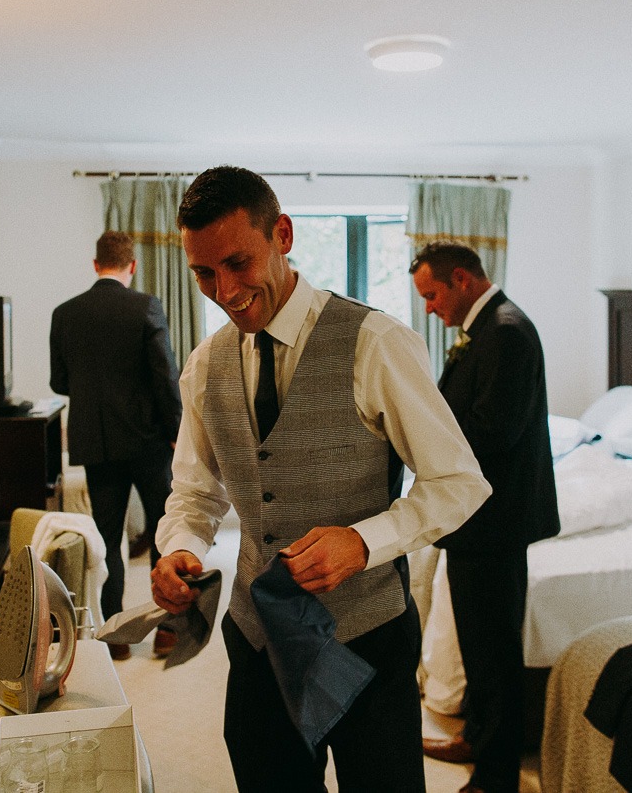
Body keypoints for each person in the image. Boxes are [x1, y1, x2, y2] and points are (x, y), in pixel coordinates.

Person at [151, 166, 491, 793]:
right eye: (203, 273)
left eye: (237, 263)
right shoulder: (204, 364)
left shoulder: (378, 342)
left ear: (282, 234)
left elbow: (459, 482)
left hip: (366, 639)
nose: (224, 291)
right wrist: (180, 547)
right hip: (258, 644)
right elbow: (196, 493)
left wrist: (364, 542)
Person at [409, 242, 560, 793]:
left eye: (431, 294)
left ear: (462, 281)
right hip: (478, 521)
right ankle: (476, 734)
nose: (427, 307)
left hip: (495, 522)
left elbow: (495, 430)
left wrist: (425, 440)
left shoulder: (507, 333)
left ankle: (496, 777)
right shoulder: (491, 327)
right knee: (476, 641)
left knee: (494, 650)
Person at [50, 230, 182, 660]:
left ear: (95, 265)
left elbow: (59, 381)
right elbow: (164, 376)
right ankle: (166, 629)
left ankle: (118, 634)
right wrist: (176, 429)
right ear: (133, 265)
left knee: (106, 537)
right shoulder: (146, 307)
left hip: (97, 442)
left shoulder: (65, 313)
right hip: (147, 440)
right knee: (165, 529)